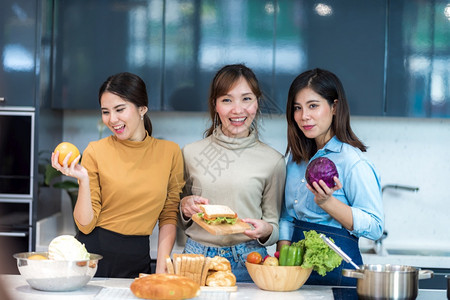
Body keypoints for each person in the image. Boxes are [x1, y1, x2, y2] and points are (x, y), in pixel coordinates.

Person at [51, 72, 184, 278]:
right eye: (106, 112)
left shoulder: (170, 152)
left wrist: (161, 269)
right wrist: (83, 180)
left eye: (120, 109)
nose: (112, 120)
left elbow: (168, 215)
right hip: (93, 256)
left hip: (139, 256)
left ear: (142, 108)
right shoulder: (95, 151)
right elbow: (85, 224)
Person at [178, 64, 286, 282]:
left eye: (246, 99)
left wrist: (265, 230)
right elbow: (179, 216)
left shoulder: (273, 161)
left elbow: (274, 225)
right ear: (215, 105)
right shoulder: (190, 153)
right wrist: (184, 206)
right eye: (227, 100)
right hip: (196, 259)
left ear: (257, 103)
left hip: (249, 261)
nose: (238, 110)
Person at [278, 68, 384, 286]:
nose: (303, 116)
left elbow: (375, 227)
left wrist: (328, 203)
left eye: (313, 106)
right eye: (297, 108)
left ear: (334, 107)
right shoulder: (296, 159)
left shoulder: (353, 162)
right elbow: (288, 217)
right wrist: (282, 265)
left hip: (338, 271)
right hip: (295, 270)